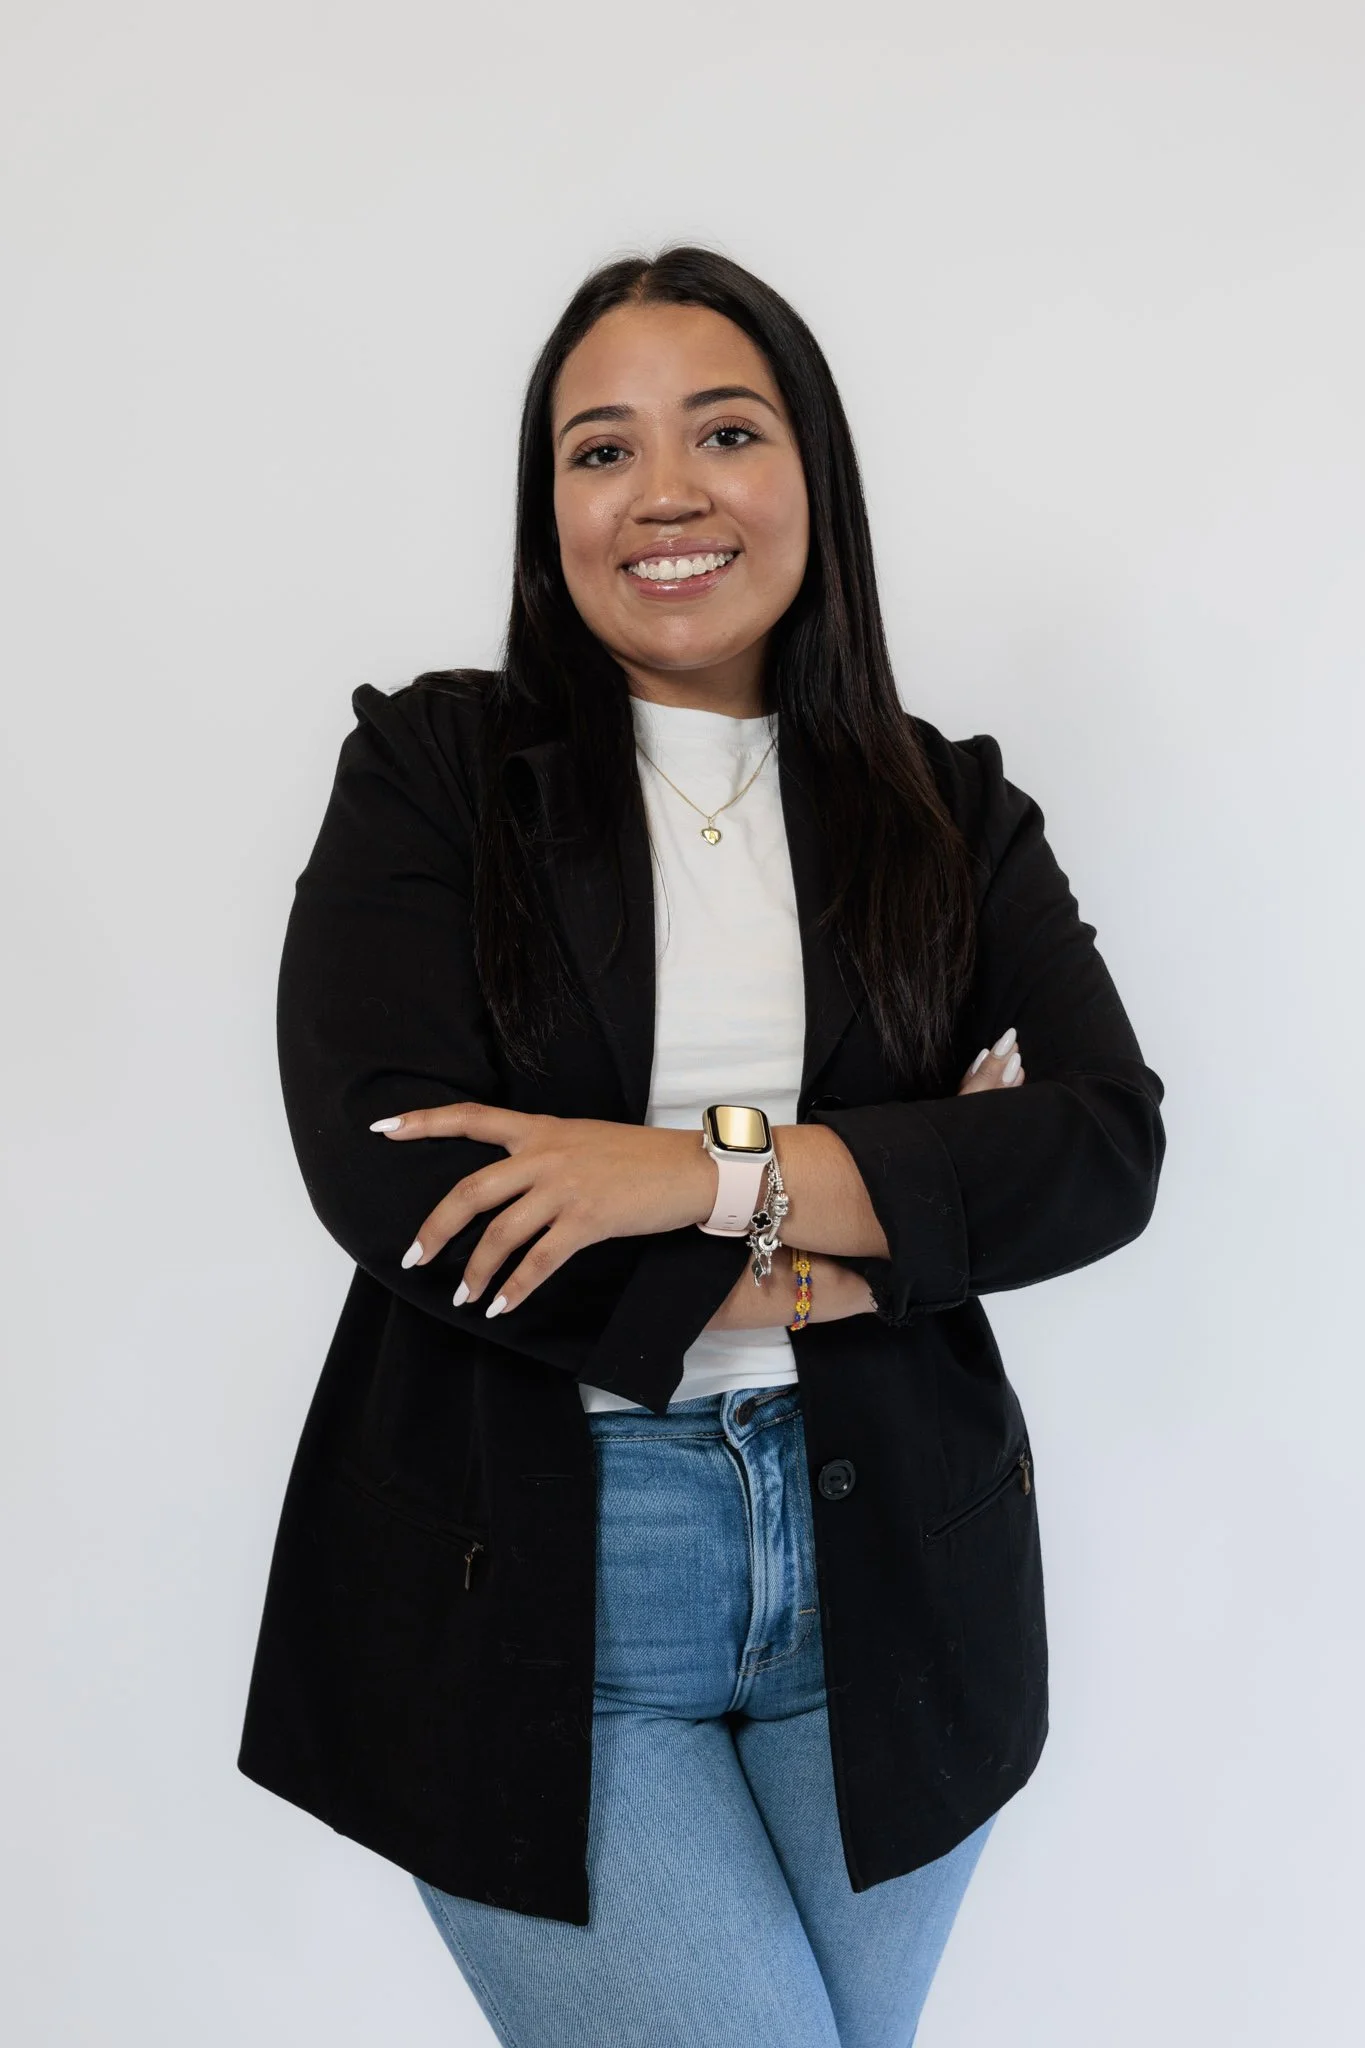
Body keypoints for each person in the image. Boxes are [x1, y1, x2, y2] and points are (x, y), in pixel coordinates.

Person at [237, 246, 1166, 2047]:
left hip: (897, 1572)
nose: (663, 492)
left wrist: (689, 1172)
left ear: (809, 468)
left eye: (722, 430)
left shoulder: (950, 808)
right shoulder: (435, 770)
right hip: (547, 1585)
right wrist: (886, 1206)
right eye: (599, 452)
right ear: (550, 507)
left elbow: (1100, 1149)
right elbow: (398, 1175)